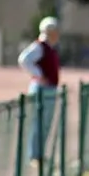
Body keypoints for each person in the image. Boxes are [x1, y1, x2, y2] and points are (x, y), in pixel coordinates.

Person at [17, 16, 62, 166]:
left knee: (45, 123)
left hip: (49, 89)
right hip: (42, 89)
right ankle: (35, 155)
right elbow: (24, 60)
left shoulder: (49, 48)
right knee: (39, 123)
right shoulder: (40, 46)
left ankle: (39, 153)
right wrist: (39, 75)